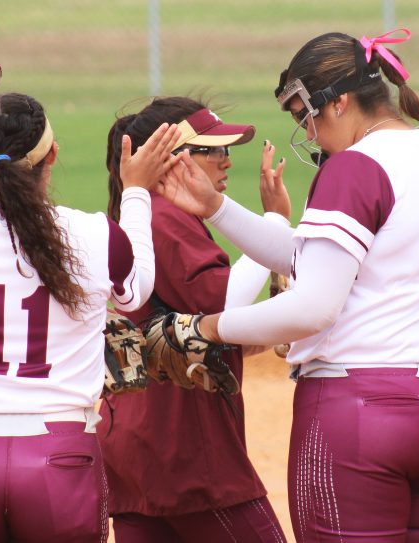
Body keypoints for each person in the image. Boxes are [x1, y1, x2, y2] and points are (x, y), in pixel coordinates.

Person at [158, 29, 419, 542]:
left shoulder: (355, 166)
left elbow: (313, 306)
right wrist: (219, 209)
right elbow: (314, 258)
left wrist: (205, 327)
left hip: (365, 409)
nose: (307, 133)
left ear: (338, 102)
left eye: (304, 115)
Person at [0, 92, 178, 542]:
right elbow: (137, 294)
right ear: (51, 152)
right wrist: (135, 193)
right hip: (61, 457)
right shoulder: (95, 233)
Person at [99, 97, 288, 543]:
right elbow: (225, 301)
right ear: (171, 158)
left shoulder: (143, 216)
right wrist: (275, 224)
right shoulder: (166, 219)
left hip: (135, 439)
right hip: (185, 447)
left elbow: (201, 326)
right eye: (213, 150)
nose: (226, 161)